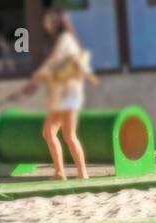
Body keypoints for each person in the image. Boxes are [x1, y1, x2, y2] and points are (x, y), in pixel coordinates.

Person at [21, 8, 98, 180]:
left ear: (55, 23)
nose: (45, 24)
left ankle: (82, 174)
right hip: (61, 95)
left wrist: (35, 79)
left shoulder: (66, 40)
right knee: (49, 132)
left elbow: (63, 62)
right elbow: (53, 66)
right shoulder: (61, 41)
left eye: (48, 21)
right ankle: (59, 172)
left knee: (69, 136)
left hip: (69, 94)